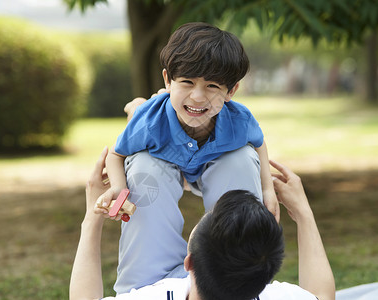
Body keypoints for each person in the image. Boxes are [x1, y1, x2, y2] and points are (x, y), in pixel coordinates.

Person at [97, 22, 280, 294]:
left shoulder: (238, 120)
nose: (197, 95)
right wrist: (118, 188)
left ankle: (235, 275)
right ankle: (144, 282)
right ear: (167, 80)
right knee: (145, 169)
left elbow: (259, 144)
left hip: (215, 163)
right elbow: (116, 155)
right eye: (187, 82)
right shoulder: (149, 122)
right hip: (162, 160)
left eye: (212, 86)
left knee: (241, 160)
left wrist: (267, 189)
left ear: (231, 91)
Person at [70, 147, 336, 300]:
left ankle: (138, 113)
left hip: (158, 281)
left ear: (189, 263)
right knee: (239, 160)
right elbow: (321, 295)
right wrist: (303, 213)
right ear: (266, 281)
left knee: (145, 166)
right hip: (232, 278)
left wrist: (91, 218)